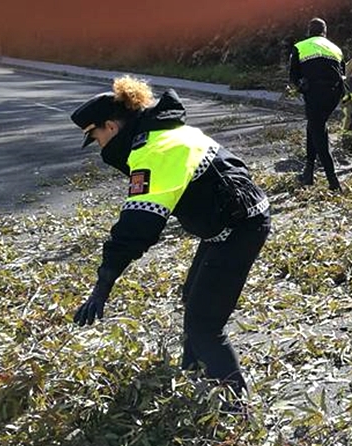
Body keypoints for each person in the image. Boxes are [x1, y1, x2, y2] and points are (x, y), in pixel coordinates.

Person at [70, 76, 271, 403]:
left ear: (111, 126)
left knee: (204, 325)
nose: (99, 147)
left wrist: (102, 285)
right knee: (192, 295)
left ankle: (239, 412)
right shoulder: (162, 130)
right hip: (232, 218)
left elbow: (138, 228)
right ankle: (192, 372)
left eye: (96, 138)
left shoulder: (154, 150)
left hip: (239, 227)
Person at [289, 17, 344, 189]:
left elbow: (293, 77)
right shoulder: (336, 48)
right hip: (335, 93)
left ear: (308, 31)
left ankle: (333, 181)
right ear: (325, 32)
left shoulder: (300, 46)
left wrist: (300, 88)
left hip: (315, 92)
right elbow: (341, 72)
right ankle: (308, 173)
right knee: (313, 126)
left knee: (319, 132)